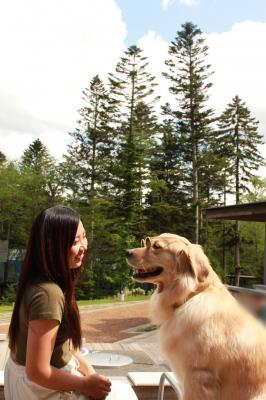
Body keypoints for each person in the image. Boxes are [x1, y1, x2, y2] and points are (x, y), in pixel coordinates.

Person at [4, 205, 137, 400]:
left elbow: (64, 345)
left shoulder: (39, 282)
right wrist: (85, 384)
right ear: (52, 246)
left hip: (32, 385)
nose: (84, 246)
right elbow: (37, 371)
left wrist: (90, 374)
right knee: (125, 393)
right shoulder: (48, 294)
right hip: (42, 391)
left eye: (84, 236)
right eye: (76, 241)